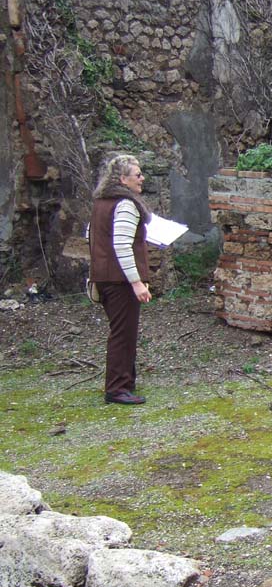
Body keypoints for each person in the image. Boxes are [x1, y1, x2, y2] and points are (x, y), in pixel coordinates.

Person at [88, 154, 152, 405]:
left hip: (105, 278)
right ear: (122, 179)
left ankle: (125, 381)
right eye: (137, 175)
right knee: (123, 334)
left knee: (122, 331)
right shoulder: (124, 204)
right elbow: (122, 245)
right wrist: (136, 282)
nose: (142, 178)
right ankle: (117, 388)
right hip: (118, 280)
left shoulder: (101, 202)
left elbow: (92, 236)